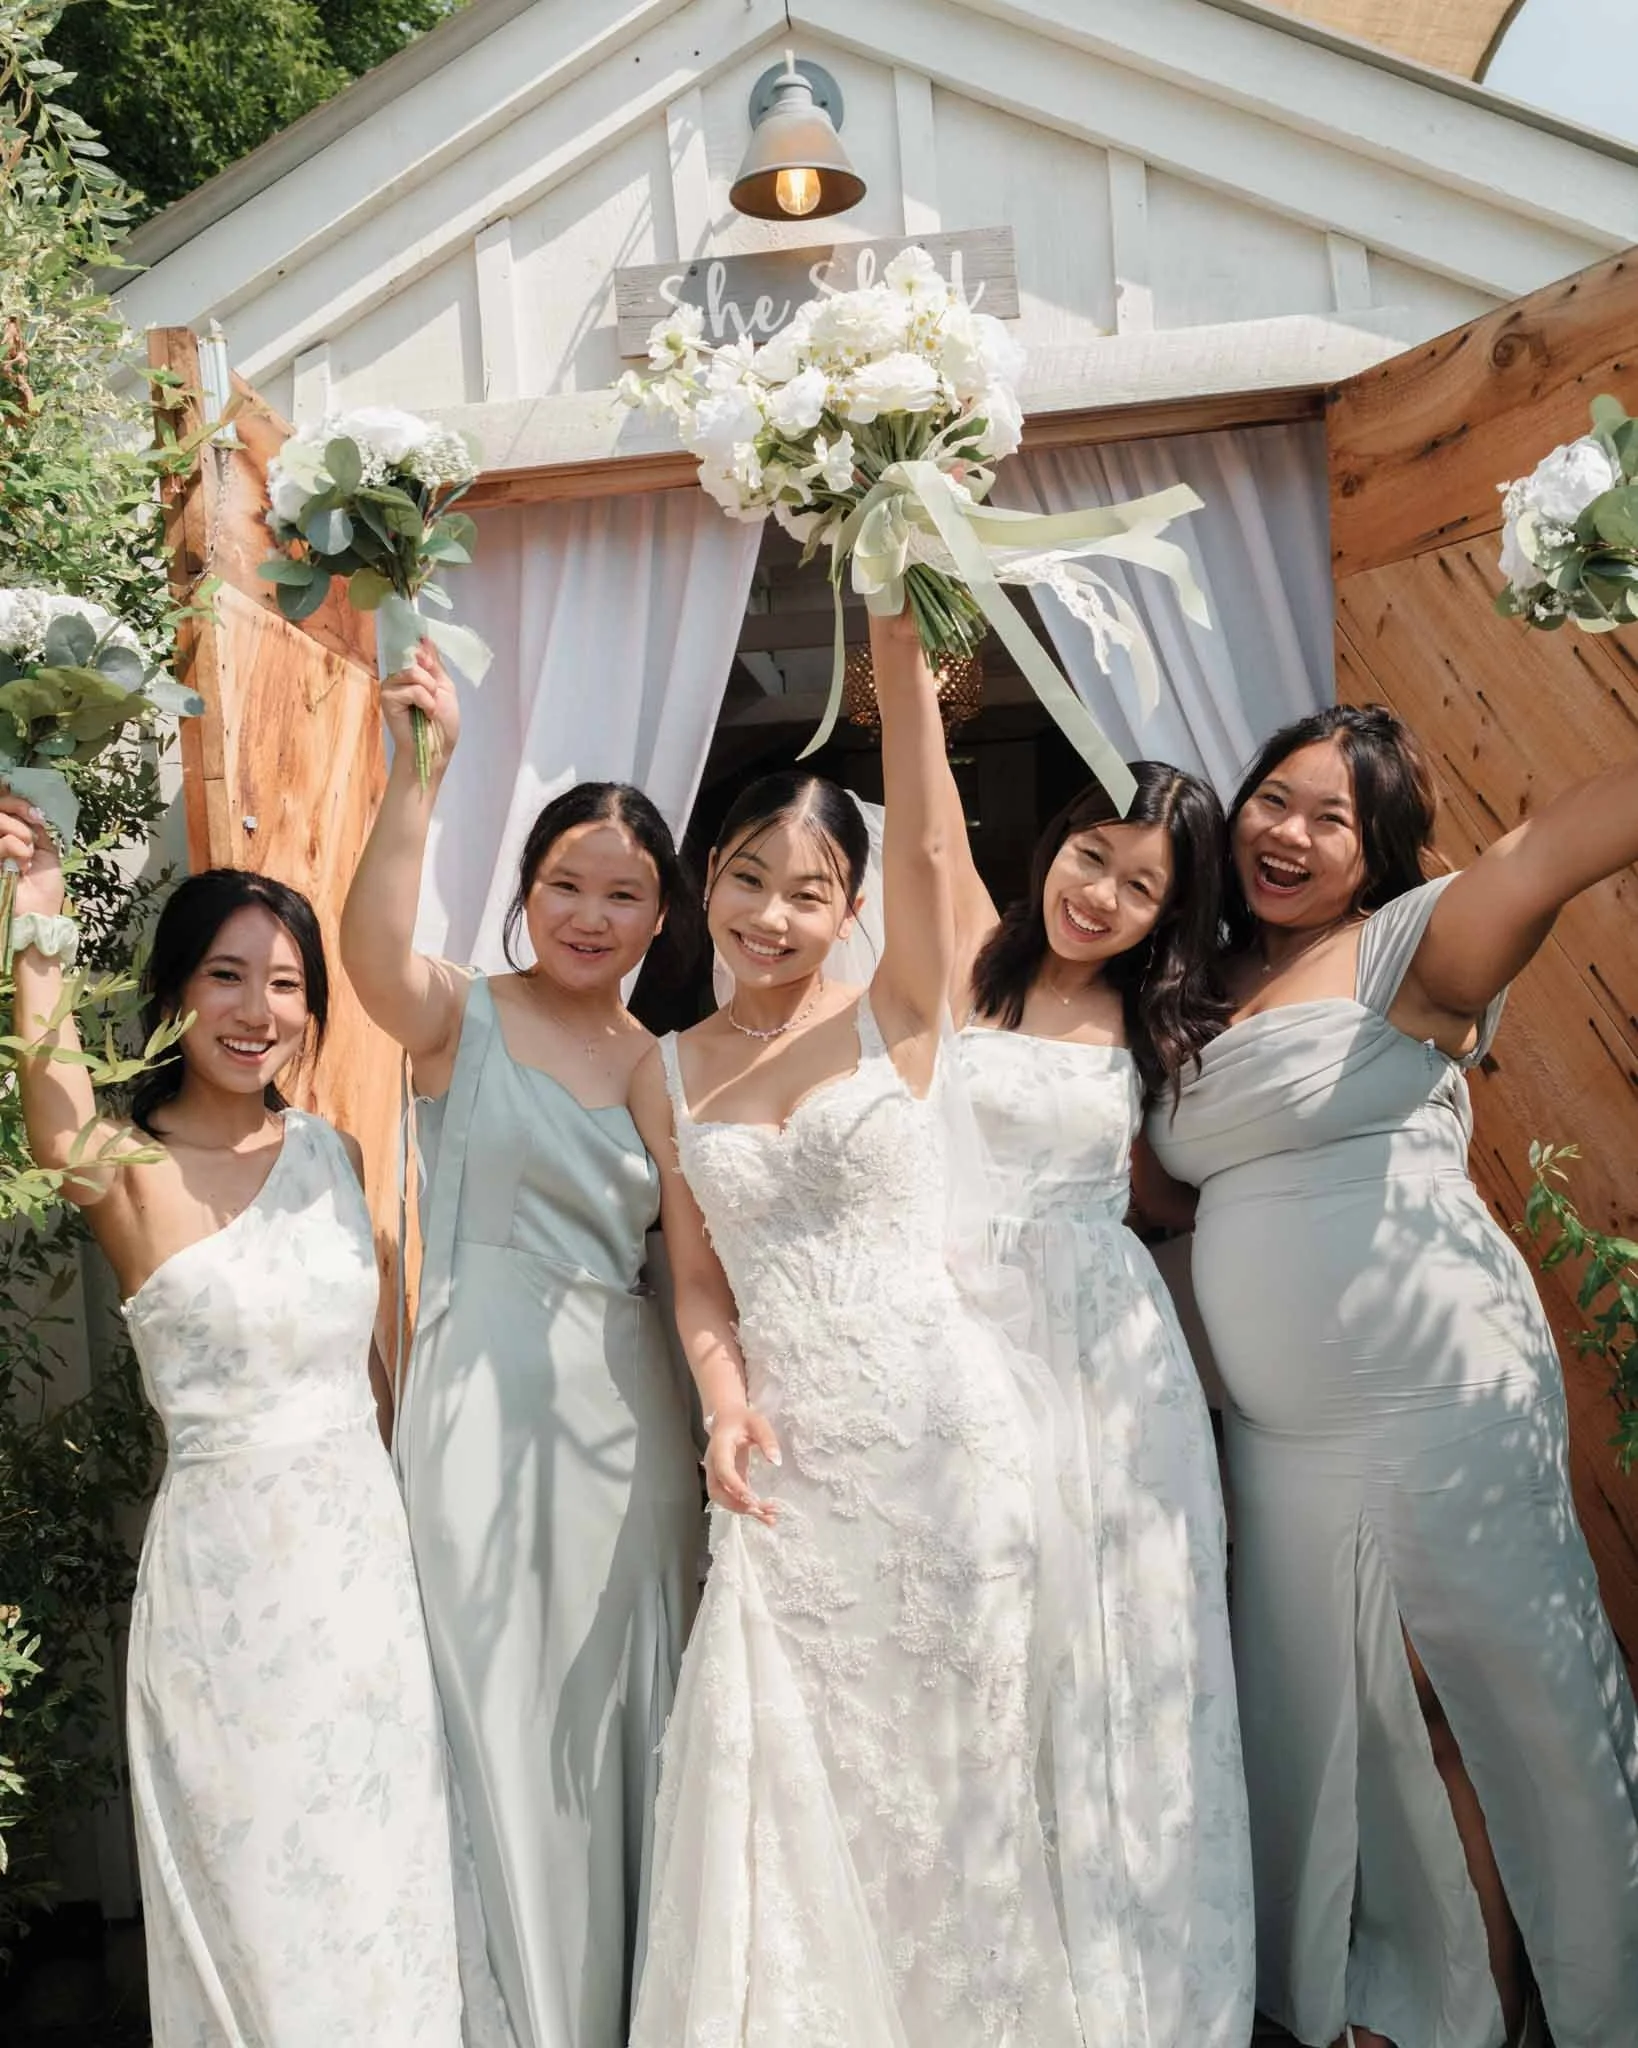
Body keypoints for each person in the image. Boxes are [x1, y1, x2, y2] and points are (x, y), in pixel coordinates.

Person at [1146, 703, 1638, 2048]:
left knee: (1486, 1709)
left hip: (1436, 1396)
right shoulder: (1192, 985)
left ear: (1379, 852)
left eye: (1329, 816)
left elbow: (1544, 855)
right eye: (1271, 798)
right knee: (1363, 1738)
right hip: (1279, 1443)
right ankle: (1439, 2004)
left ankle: (1571, 2004)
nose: (1286, 833)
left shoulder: (1409, 949)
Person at [626, 606, 1084, 2048]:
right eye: (749, 879)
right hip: (790, 1463)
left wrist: (890, 626)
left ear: (851, 907)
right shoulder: (665, 1070)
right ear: (707, 884)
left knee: (952, 1772)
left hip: (936, 1440)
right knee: (801, 1769)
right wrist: (720, 1406)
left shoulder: (899, 1008)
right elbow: (698, 1277)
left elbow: (942, 858)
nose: (772, 913)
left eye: (809, 890)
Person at [5, 813, 464, 2047]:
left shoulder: (338, 1153)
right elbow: (50, 1099)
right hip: (223, 1598)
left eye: (287, 984)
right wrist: (33, 908)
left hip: (363, 1584)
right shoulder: (127, 1169)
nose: (258, 1008)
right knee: (252, 1892)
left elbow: (380, 1373)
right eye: (227, 975)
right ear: (173, 991)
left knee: (381, 1885)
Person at [340, 645, 703, 2048]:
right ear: (526, 891)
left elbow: (691, 1275)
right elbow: (369, 954)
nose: (590, 915)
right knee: (488, 1705)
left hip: (628, 1431)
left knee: (617, 1719)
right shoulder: (458, 1021)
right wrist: (414, 778)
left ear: (660, 913)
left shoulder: (658, 1067)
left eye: (623, 894)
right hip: (475, 1418)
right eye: (566, 885)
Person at [937, 762, 1255, 2046]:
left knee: (1129, 1646)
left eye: (1143, 887)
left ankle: (1143, 1988)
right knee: (999, 1636)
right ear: (1053, 837)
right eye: (1093, 856)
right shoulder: (963, 953)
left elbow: (1178, 1189)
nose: (1104, 897)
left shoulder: (1157, 1021)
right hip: (964, 1336)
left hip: (1111, 1358)